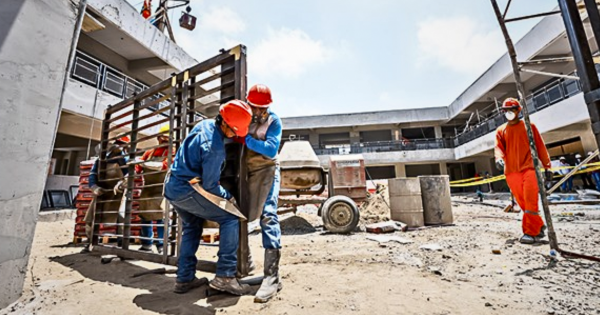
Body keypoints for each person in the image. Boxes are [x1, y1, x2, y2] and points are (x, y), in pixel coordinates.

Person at [163, 100, 253, 295]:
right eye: (235, 131)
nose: (235, 135)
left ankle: (184, 279)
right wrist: (229, 197)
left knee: (191, 226)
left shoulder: (203, 124)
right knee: (230, 219)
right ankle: (225, 276)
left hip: (172, 186)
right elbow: (211, 187)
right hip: (186, 190)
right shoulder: (215, 149)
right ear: (226, 124)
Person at [243, 84, 284, 303]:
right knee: (241, 215)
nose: (257, 112)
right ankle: (244, 265)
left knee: (268, 215)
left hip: (268, 169)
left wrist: (247, 140)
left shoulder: (274, 121)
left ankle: (272, 277)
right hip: (248, 172)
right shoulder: (244, 116)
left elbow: (270, 150)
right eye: (254, 107)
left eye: (261, 108)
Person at [494, 98, 553, 245]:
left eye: (512, 109)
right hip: (511, 172)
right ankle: (538, 225)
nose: (509, 112)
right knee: (523, 203)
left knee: (530, 200)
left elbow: (540, 146)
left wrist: (547, 166)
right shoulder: (501, 131)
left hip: (529, 169)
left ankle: (530, 232)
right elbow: (498, 148)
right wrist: (498, 159)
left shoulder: (529, 126)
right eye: (505, 110)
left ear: (518, 110)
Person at [82, 136, 130, 253]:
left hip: (118, 193)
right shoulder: (100, 160)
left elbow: (129, 174)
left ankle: (122, 245)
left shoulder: (123, 158)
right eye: (117, 144)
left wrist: (122, 183)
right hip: (102, 192)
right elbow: (92, 174)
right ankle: (90, 242)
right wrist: (94, 187)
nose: (118, 147)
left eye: (121, 144)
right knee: (91, 218)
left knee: (121, 217)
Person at [134, 124, 174, 253]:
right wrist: (132, 172)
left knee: (161, 218)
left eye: (167, 139)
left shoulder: (172, 151)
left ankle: (162, 245)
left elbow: (164, 166)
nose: (164, 141)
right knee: (146, 217)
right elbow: (138, 168)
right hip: (148, 189)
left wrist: (144, 163)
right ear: (158, 138)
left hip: (162, 189)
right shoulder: (149, 152)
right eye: (162, 138)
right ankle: (147, 244)